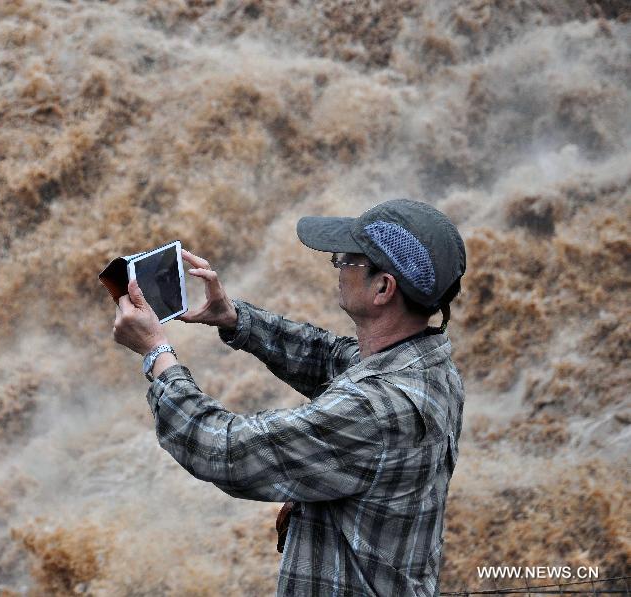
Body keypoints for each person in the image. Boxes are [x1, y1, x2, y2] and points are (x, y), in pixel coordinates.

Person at [112, 199, 466, 596]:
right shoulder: (430, 366)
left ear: (382, 288)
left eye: (345, 259)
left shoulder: (376, 409)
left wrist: (157, 352)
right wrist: (234, 317)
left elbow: (226, 451)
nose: (337, 265)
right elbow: (328, 356)